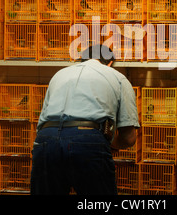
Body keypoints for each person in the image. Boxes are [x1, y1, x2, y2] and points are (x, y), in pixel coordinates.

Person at [30, 44, 140, 195]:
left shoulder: (59, 75)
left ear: (81, 59)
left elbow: (42, 120)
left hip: (45, 141)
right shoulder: (117, 77)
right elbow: (129, 138)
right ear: (109, 63)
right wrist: (109, 144)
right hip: (87, 139)